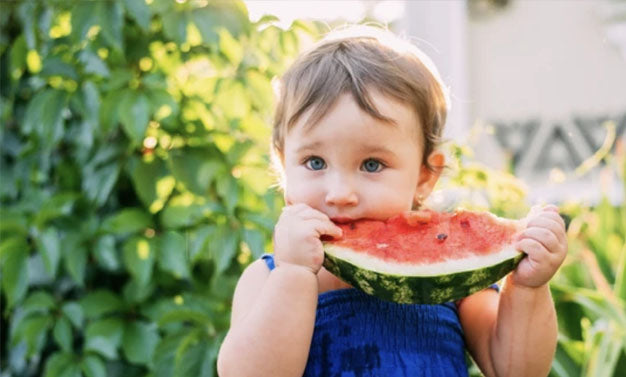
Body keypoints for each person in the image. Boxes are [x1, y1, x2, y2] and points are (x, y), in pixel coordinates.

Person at [217, 25, 567, 377]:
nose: (339, 193)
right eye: (315, 162)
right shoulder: (267, 277)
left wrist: (527, 288)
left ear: (424, 176)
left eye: (372, 165)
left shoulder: (452, 283)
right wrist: (293, 275)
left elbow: (514, 369)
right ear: (282, 164)